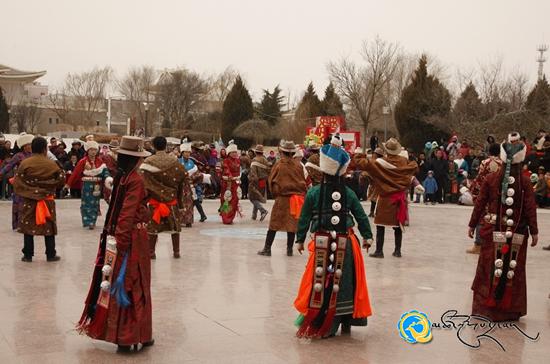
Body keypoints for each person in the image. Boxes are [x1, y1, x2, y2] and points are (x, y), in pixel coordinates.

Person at [77, 136, 154, 352]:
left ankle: (126, 334)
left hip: (117, 237)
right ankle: (131, 336)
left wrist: (114, 242)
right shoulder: (135, 180)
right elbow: (127, 215)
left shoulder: (122, 177)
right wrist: (121, 244)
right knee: (134, 285)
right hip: (131, 239)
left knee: (119, 284)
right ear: (136, 159)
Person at [294, 142, 373, 338]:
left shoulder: (313, 192)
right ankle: (346, 320)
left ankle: (324, 320)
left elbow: (304, 217)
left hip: (322, 242)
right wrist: (367, 236)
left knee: (321, 282)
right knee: (346, 283)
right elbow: (361, 216)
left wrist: (300, 239)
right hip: (347, 242)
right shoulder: (348, 193)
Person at [467, 132, 538, 321]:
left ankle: (486, 308)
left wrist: (473, 224)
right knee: (513, 268)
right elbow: (530, 207)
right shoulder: (525, 182)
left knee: (490, 267)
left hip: (492, 230)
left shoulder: (491, 179)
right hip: (518, 231)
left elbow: (480, 203)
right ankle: (510, 310)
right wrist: (535, 231)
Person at [354, 138, 418, 258]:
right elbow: (415, 167)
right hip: (399, 198)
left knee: (380, 225)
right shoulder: (404, 161)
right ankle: (397, 251)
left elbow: (361, 162)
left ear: (386, 150)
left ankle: (379, 251)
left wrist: (361, 152)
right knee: (397, 225)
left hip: (384, 198)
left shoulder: (379, 162)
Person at [13, 136, 65, 262]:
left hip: (29, 199)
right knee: (49, 226)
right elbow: (61, 179)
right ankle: (51, 254)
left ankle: (28, 255)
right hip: (47, 199)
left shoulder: (25, 163)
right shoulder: (52, 164)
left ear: (32, 148)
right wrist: (46, 189)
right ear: (44, 149)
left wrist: (31, 191)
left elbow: (18, 182)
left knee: (27, 226)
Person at [258, 140, 307, 256]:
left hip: (282, 198)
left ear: (283, 152)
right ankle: (289, 250)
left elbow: (271, 180)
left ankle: (267, 248)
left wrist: (275, 193)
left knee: (274, 224)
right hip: (295, 199)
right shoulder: (298, 165)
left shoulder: (279, 164)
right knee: (291, 225)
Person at [140, 136, 186, 259]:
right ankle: (176, 252)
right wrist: (181, 203)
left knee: (152, 227)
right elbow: (183, 178)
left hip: (155, 201)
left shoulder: (148, 162)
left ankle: (151, 252)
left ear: (153, 146)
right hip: (171, 201)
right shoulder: (175, 162)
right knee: (175, 228)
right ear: (166, 146)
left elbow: (143, 183)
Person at [65, 141, 112, 229]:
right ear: (87, 150)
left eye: (95, 150)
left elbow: (105, 172)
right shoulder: (82, 161)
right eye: (91, 150)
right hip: (86, 185)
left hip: (97, 187)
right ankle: (88, 221)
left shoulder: (100, 161)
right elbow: (75, 173)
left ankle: (92, 221)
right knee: (86, 204)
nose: (93, 152)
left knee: (95, 204)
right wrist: (67, 185)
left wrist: (108, 178)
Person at [467, 143, 503, 254]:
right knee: (499, 218)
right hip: (498, 195)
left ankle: (478, 244)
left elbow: (480, 178)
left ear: (489, 151)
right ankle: (498, 244)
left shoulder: (485, 163)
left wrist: (474, 190)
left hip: (485, 194)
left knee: (480, 216)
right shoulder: (503, 164)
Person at [0, 133, 34, 230]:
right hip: (20, 182)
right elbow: (8, 166)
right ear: (23, 146)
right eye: (28, 145)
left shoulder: (35, 155)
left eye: (31, 145)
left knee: (30, 203)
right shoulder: (18, 156)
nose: (29, 147)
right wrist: (1, 173)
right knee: (18, 203)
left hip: (32, 183)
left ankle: (30, 223)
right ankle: (18, 224)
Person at [179, 143, 209, 224]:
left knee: (192, 201)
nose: (187, 154)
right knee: (181, 202)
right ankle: (181, 219)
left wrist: (194, 179)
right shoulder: (178, 161)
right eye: (186, 152)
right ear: (182, 152)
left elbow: (196, 172)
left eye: (189, 152)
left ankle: (189, 220)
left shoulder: (192, 162)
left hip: (190, 184)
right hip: (180, 186)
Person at [220, 142, 241, 224]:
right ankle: (225, 217)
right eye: (233, 152)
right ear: (229, 153)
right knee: (226, 200)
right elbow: (226, 169)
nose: (235, 154)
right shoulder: (225, 161)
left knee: (235, 200)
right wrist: (230, 175)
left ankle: (231, 216)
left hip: (235, 183)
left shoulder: (238, 161)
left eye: (236, 152)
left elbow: (239, 171)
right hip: (227, 184)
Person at [248, 144, 270, 221]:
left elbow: (253, 173)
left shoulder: (254, 160)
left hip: (256, 181)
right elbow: (268, 171)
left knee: (252, 197)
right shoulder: (265, 160)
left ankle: (263, 211)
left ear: (256, 152)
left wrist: (252, 181)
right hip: (263, 181)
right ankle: (254, 215)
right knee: (257, 197)